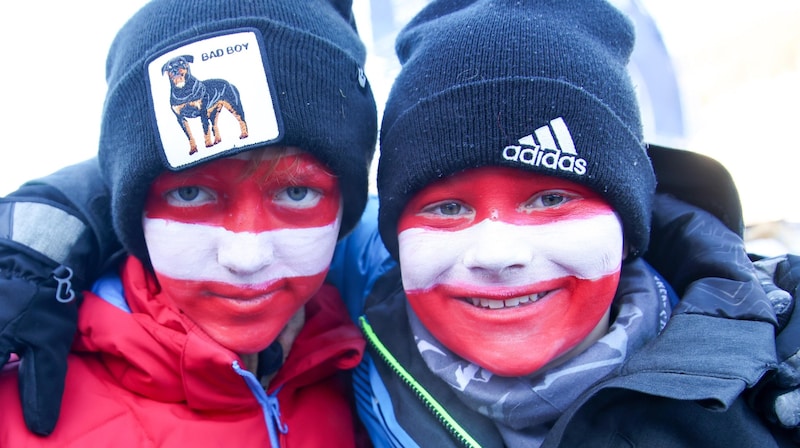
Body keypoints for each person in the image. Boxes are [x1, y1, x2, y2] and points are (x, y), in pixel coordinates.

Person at [0, 0, 798, 446]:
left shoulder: (344, 305)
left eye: (550, 198)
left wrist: (750, 308)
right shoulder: (364, 306)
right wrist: (41, 229)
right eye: (446, 206)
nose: (246, 255)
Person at [349, 0, 795, 446]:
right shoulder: (347, 338)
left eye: (552, 199)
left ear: (627, 226)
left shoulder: (776, 373)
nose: (497, 253)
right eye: (447, 209)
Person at [0, 0, 379, 445]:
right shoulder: (15, 400)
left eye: (297, 193)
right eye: (190, 193)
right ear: (132, 210)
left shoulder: (372, 362)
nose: (245, 257)